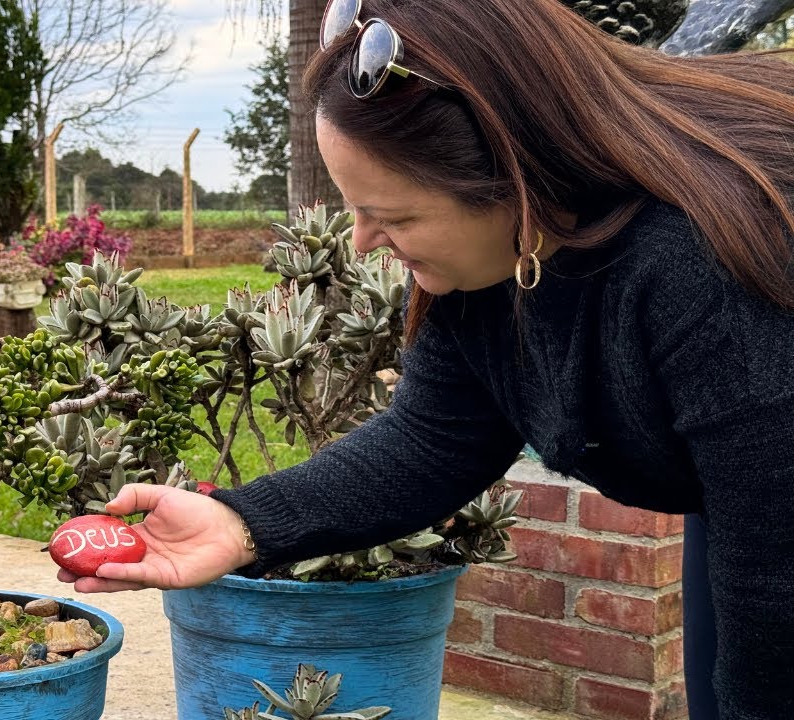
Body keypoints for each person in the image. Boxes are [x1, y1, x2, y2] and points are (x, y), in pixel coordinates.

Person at [57, 1, 794, 718]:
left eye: (394, 216)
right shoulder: (486, 267)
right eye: (355, 208)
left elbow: (775, 581)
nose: (362, 242)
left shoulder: (714, 265)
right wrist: (240, 524)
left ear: (519, 175)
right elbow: (435, 439)